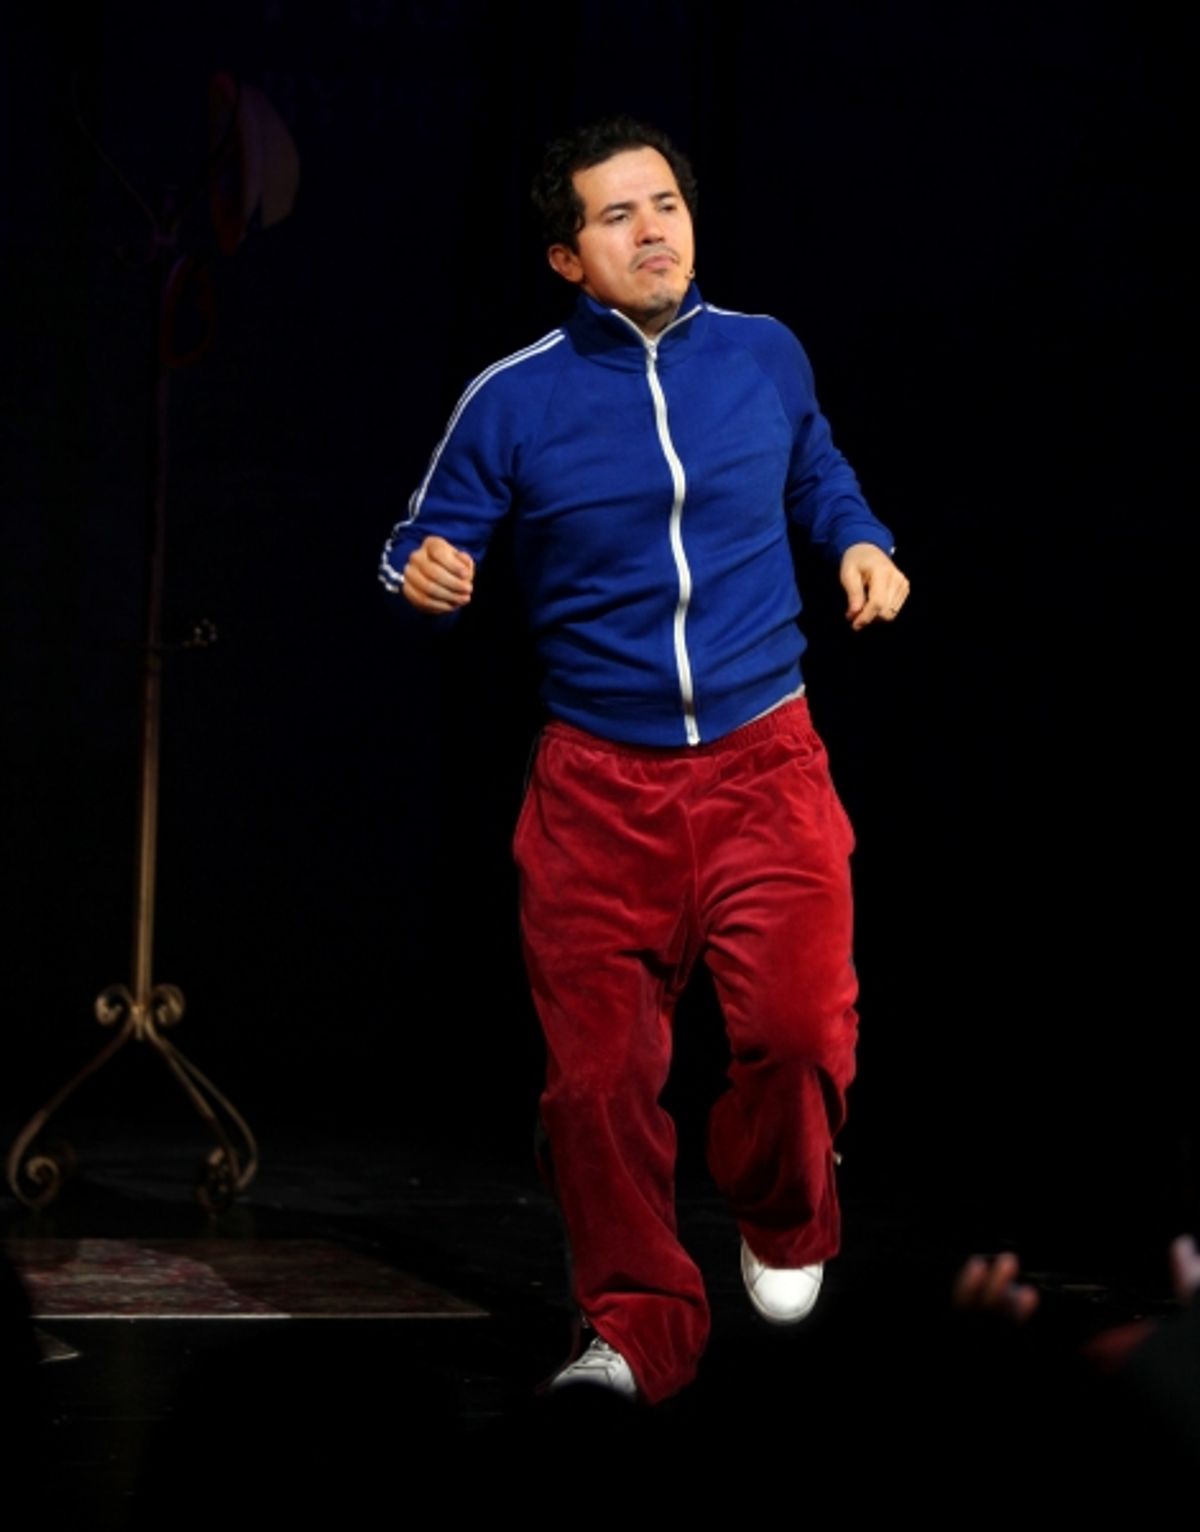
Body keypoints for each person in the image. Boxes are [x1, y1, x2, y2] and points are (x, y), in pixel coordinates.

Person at [379, 114, 909, 1405]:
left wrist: (859, 537)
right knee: (597, 1087)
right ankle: (636, 1331)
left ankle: (787, 1212)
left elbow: (819, 471)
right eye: (617, 216)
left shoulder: (764, 354)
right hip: (596, 792)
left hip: (760, 762)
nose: (653, 229)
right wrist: (422, 571)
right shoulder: (512, 397)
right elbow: (418, 536)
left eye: (664, 202)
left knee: (793, 1031)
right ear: (568, 255)